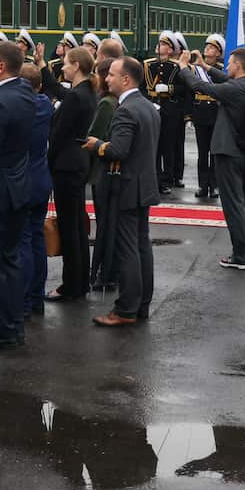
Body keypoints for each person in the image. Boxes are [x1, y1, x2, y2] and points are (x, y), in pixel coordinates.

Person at [84, 56, 161, 326]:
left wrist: (96, 145)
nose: (106, 79)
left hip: (127, 187)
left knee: (128, 249)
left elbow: (118, 150)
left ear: (125, 79)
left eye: (112, 75)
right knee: (141, 247)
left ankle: (125, 308)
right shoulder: (147, 106)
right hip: (143, 185)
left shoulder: (126, 109)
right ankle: (141, 304)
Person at [177, 47, 245, 270]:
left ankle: (241, 255)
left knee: (233, 205)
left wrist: (184, 68)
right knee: (244, 203)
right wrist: (205, 67)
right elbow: (225, 79)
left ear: (238, 66)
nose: (227, 67)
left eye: (230, 63)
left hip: (228, 151)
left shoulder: (235, 88)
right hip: (243, 151)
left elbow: (200, 87)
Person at [0, 40, 36, 350]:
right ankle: (13, 323)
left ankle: (2, 327)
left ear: (1, 67)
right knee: (11, 261)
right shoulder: (25, 93)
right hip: (18, 187)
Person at [44, 46, 95, 302]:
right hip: (78, 162)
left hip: (66, 165)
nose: (62, 66)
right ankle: (80, 281)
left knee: (69, 226)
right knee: (76, 225)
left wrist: (48, 164)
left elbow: (58, 135)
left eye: (65, 63)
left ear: (76, 66)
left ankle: (71, 285)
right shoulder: (86, 92)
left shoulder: (76, 96)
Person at [18, 65, 53, 317]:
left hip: (22, 182)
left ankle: (25, 300)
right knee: (37, 239)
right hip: (41, 178)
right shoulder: (45, 105)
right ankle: (37, 296)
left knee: (23, 241)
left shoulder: (20, 107)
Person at [87, 56, 121, 290]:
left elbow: (95, 136)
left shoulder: (106, 104)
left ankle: (104, 274)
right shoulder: (113, 101)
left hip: (103, 171)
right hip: (111, 172)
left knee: (105, 226)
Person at [143, 31, 186, 194]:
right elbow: (141, 86)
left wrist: (170, 88)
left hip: (169, 110)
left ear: (170, 50)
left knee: (167, 147)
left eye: (164, 45)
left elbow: (183, 88)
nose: (160, 46)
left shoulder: (175, 67)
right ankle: (154, 177)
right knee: (153, 147)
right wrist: (148, 101)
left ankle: (166, 180)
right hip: (152, 108)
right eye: (159, 43)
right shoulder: (148, 65)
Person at [192, 35, 224, 199]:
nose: (207, 49)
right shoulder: (194, 68)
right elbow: (190, 92)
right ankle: (203, 185)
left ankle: (215, 185)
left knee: (215, 152)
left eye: (212, 47)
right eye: (207, 46)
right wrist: (189, 114)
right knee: (202, 152)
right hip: (200, 113)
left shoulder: (221, 69)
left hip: (216, 113)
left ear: (218, 52)